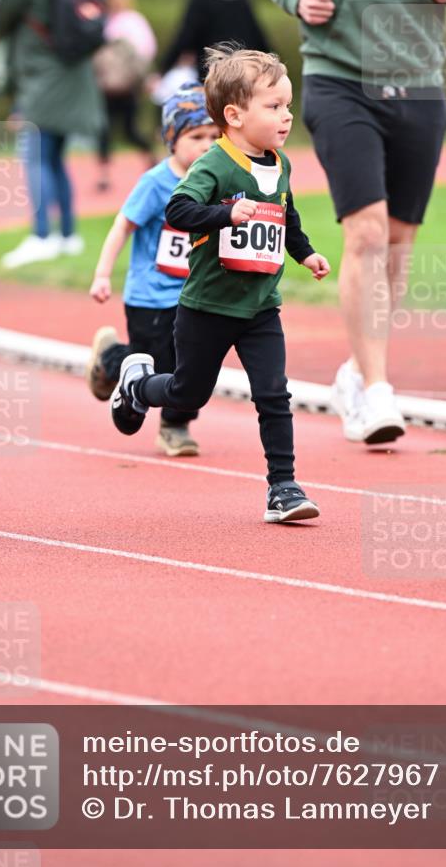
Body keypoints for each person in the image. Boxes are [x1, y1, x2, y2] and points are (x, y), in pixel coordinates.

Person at [257, 0, 446, 445]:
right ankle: (378, 388)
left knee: (398, 239)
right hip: (339, 79)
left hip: (420, 83)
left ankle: (357, 371)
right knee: (366, 232)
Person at [110, 45, 330, 523]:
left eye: (288, 105)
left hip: (260, 307)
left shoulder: (281, 163)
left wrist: (306, 253)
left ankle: (283, 488)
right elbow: (178, 210)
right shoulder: (214, 164)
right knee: (188, 394)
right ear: (234, 115)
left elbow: (286, 216)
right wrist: (225, 213)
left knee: (273, 393)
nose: (286, 116)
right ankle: (139, 387)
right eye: (274, 106)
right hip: (207, 307)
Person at [87, 83, 219, 457]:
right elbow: (122, 226)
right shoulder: (156, 183)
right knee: (152, 364)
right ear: (172, 139)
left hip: (193, 295)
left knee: (193, 364)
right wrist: (102, 274)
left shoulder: (216, 181)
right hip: (149, 296)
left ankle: (175, 426)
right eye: (196, 136)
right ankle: (110, 359)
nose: (207, 145)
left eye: (215, 136)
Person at [0, 0, 104, 269]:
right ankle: (67, 235)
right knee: (55, 158)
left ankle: (41, 236)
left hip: (42, 81)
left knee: (35, 157)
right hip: (72, 78)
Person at [93, 0, 158, 192]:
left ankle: (104, 173)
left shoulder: (108, 24)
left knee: (107, 130)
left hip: (110, 87)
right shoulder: (133, 22)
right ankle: (150, 157)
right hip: (127, 86)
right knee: (127, 129)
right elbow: (147, 51)